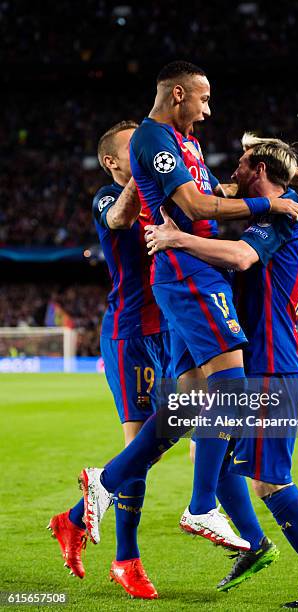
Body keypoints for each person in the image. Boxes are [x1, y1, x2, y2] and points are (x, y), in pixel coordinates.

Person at [80, 61, 298, 558]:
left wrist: (284, 178)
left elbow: (214, 193)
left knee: (186, 405)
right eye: (204, 100)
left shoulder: (185, 143)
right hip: (187, 274)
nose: (209, 111)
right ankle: (201, 504)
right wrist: (268, 205)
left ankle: (107, 480)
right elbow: (199, 206)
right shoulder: (154, 141)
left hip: (186, 276)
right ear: (180, 94)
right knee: (229, 384)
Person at [145, 133, 298, 608]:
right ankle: (256, 547)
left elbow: (241, 256)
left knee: (270, 480)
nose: (231, 170)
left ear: (257, 168)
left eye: (241, 163)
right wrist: (289, 165)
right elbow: (245, 163)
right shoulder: (271, 202)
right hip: (253, 367)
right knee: (207, 459)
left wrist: (177, 238)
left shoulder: (285, 213)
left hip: (272, 370)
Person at [48, 120, 172, 599]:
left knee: (165, 434)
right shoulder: (107, 195)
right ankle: (126, 560)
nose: (143, 154)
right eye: (133, 149)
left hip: (167, 332)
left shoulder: (162, 192)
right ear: (113, 161)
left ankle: (75, 517)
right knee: (140, 445)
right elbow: (121, 218)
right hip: (129, 336)